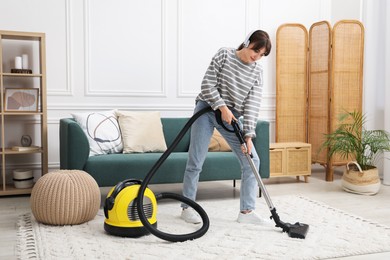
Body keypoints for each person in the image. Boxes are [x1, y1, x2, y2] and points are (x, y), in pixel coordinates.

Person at [181, 30, 272, 225]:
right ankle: (187, 206)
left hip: (231, 118)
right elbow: (207, 84)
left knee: (252, 160)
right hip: (205, 110)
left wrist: (248, 136)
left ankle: (246, 212)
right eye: (256, 50)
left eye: (262, 54)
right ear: (247, 42)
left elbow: (252, 105)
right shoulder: (225, 54)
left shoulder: (257, 71)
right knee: (195, 161)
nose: (257, 57)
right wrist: (221, 107)